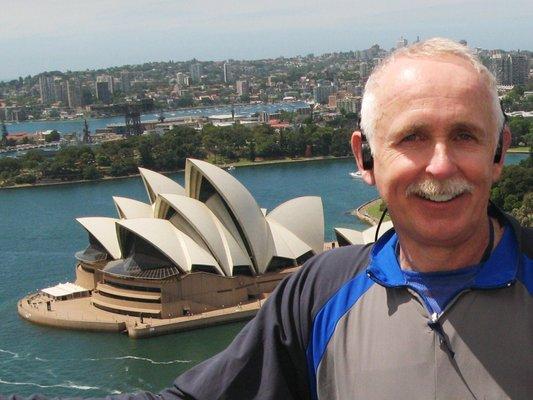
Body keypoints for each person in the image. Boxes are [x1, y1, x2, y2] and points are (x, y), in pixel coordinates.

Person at [3, 38, 532, 400]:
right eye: (412, 137)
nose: (440, 166)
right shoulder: (318, 292)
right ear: (365, 158)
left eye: (465, 135)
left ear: (500, 152)